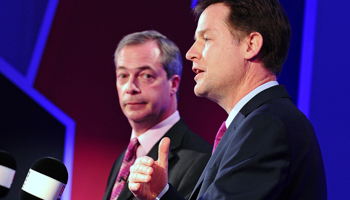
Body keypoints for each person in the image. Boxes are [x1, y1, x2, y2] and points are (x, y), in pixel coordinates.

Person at [128, 0, 327, 200]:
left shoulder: (266, 126)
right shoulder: (259, 122)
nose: (190, 53)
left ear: (251, 45)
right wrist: (161, 194)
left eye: (206, 39)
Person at [102, 30, 212, 200]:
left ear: (173, 84)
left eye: (146, 75)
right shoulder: (123, 159)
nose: (130, 87)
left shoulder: (202, 160)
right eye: (123, 75)